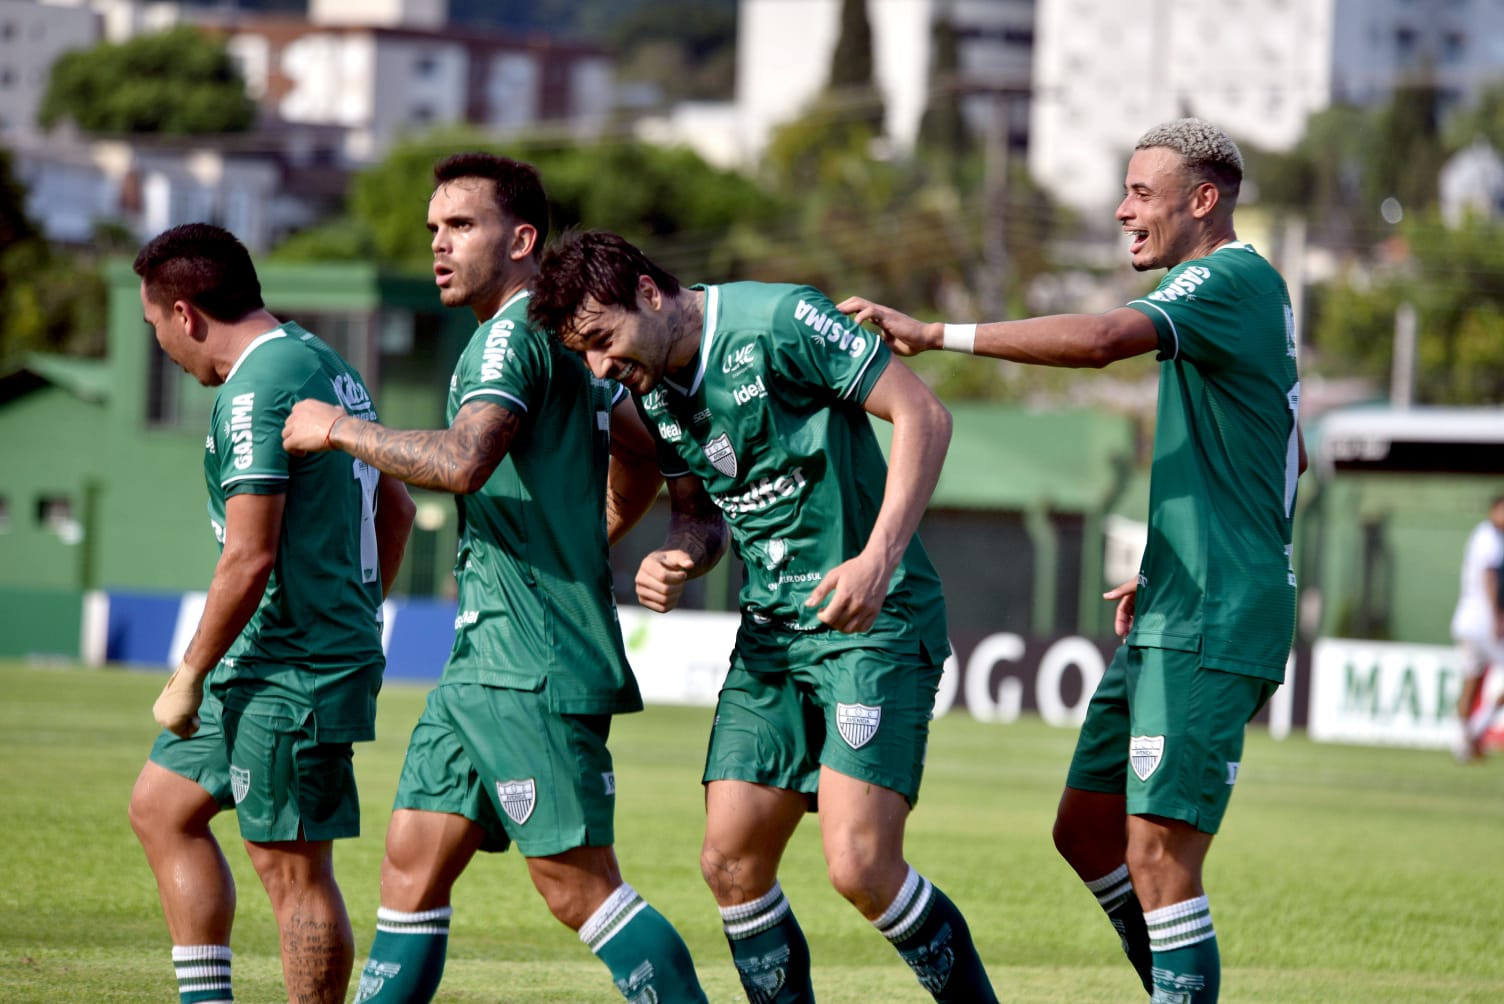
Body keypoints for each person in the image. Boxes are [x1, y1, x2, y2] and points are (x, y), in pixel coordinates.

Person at [839, 117, 1306, 1003]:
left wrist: (935, 334)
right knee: (1088, 830)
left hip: (1214, 611)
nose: (1123, 209)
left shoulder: (1222, 277)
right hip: (1186, 592)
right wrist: (1176, 550)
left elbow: (1097, 342)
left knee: (1158, 855)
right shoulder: (1249, 295)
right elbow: (1291, 451)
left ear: (1202, 201)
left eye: (1141, 192)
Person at [527, 230, 1000, 1004]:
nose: (602, 368)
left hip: (871, 623)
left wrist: (877, 559)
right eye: (586, 354)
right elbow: (703, 517)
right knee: (730, 863)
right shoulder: (650, 384)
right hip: (771, 636)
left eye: (604, 341)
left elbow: (924, 415)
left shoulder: (779, 320)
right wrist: (679, 553)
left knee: (860, 866)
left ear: (649, 292)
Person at [280, 153, 711, 1003]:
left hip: (530, 665)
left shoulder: (511, 335)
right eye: (433, 229)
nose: (438, 244)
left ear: (521, 239)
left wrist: (337, 428)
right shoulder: (554, 338)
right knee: (410, 866)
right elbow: (652, 450)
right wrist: (597, 540)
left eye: (461, 226)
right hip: (484, 658)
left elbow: (467, 461)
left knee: (579, 889)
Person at [128, 223, 416, 1004]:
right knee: (163, 808)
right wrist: (353, 609)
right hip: (268, 655)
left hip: (296, 668)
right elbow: (394, 511)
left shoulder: (259, 385)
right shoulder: (323, 360)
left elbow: (249, 555)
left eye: (155, 327)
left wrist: (188, 672)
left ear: (186, 314)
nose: (162, 346)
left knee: (291, 871)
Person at [1449, 496, 1504, 761]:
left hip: (1469, 620)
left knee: (1471, 680)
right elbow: (1489, 576)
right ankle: (1471, 734)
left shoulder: (1484, 536)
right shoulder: (1489, 537)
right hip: (1483, 622)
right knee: (1472, 681)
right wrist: (1497, 617)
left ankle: (1465, 742)